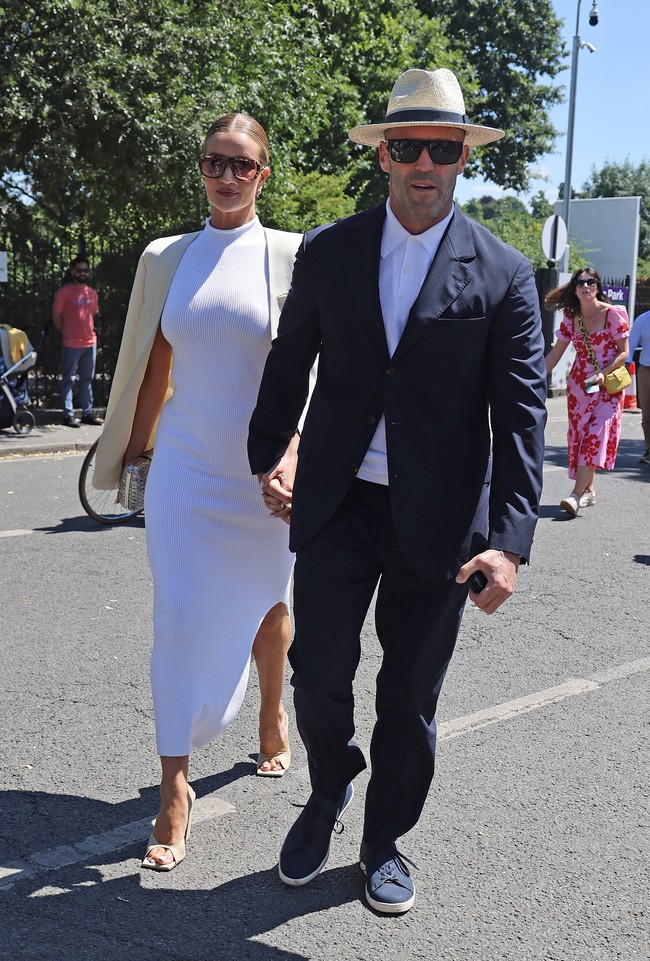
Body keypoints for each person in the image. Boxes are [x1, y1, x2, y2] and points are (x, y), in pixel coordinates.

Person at [248, 67, 547, 914]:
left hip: (443, 521)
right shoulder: (330, 251)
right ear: (383, 155)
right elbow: (290, 360)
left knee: (409, 699)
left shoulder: (503, 274)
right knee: (317, 674)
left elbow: (521, 418)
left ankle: (384, 839)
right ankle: (329, 785)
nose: (425, 162)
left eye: (443, 148)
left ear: (462, 159)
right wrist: (270, 452)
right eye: (408, 145)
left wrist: (510, 540)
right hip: (339, 501)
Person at [93, 112, 301, 871]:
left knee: (270, 606)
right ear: (201, 167)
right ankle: (174, 788)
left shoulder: (289, 255)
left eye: (242, 164)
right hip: (184, 468)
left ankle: (271, 710)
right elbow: (151, 363)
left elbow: (305, 372)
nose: (225, 175)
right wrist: (138, 457)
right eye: (215, 161)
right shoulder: (166, 257)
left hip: (260, 474)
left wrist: (296, 456)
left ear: (263, 175)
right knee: (177, 616)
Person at [545, 267, 630, 516]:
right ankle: (589, 491)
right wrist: (533, 377)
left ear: (598, 286)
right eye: (580, 282)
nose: (586, 285)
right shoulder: (572, 317)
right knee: (581, 438)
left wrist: (604, 371)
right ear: (575, 288)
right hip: (580, 386)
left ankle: (575, 494)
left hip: (607, 388)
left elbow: (624, 352)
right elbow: (555, 355)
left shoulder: (613, 314)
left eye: (590, 281)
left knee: (594, 436)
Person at [52, 256, 102, 427]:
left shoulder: (92, 293)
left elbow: (92, 315)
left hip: (90, 343)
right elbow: (56, 316)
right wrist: (66, 332)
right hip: (71, 343)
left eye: (85, 270)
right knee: (68, 380)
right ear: (73, 271)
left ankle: (87, 413)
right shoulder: (64, 292)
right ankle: (68, 415)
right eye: (79, 270)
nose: (82, 273)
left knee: (87, 380)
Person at [626, 308, 650, 463]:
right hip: (646, 371)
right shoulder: (642, 319)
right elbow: (630, 345)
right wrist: (625, 365)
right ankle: (649, 449)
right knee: (647, 416)